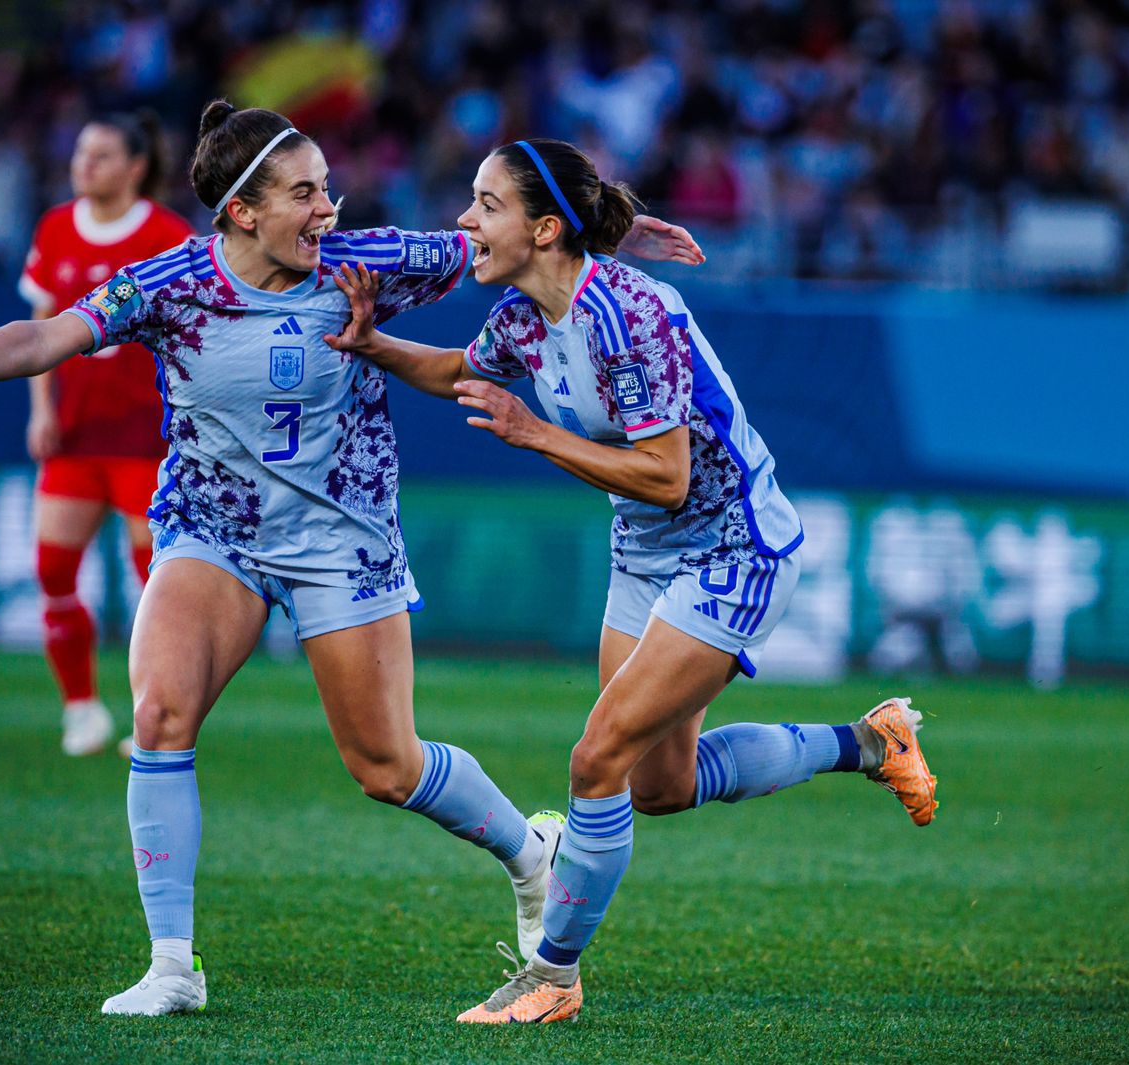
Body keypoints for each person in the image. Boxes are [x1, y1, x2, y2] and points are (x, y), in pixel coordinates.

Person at [0, 103, 702, 1017]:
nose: (328, 209)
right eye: (306, 193)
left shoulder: (368, 263)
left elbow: (510, 246)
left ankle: (526, 853)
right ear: (242, 212)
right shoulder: (170, 284)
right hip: (212, 529)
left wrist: (608, 237)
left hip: (340, 542)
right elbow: (50, 336)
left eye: (328, 189)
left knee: (385, 768)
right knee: (157, 715)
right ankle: (171, 966)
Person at [324, 138, 939, 1024]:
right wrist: (372, 344)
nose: (464, 220)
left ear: (542, 228)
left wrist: (536, 433)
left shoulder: (629, 314)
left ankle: (553, 977)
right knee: (659, 787)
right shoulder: (526, 316)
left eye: (485, 204)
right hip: (646, 553)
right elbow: (462, 372)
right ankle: (873, 743)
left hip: (734, 549)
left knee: (596, 757)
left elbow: (668, 474)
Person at [18, 111, 195, 757]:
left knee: (157, 581)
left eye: (99, 154)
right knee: (53, 568)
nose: (82, 164)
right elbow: (39, 327)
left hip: (146, 439)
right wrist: (41, 409)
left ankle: (157, 710)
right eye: (79, 152)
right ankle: (82, 709)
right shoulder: (56, 227)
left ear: (135, 166)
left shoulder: (167, 235)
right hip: (75, 437)